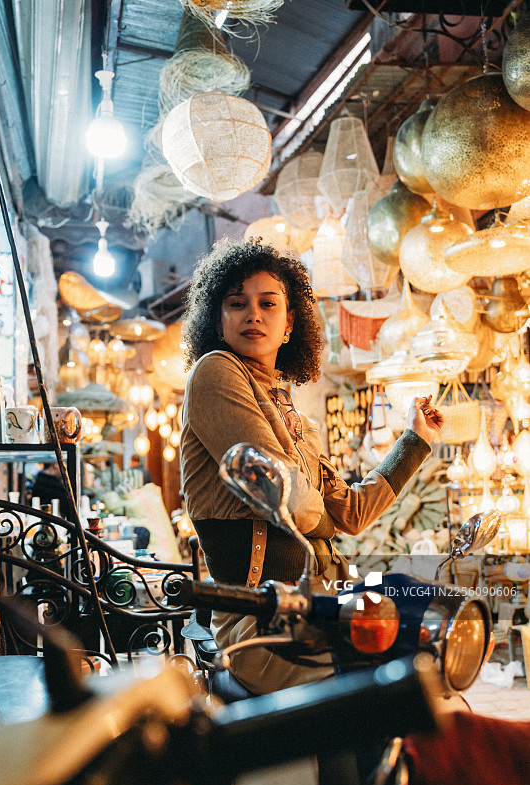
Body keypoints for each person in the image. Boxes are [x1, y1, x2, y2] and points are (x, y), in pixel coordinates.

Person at [180, 238, 444, 695]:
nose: (253, 315)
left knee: (426, 646)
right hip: (259, 621)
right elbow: (296, 503)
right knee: (379, 684)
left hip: (323, 603)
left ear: (289, 325)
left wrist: (416, 439)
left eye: (268, 303)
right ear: (217, 319)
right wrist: (323, 522)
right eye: (237, 304)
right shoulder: (215, 371)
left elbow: (352, 515)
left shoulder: (298, 418)